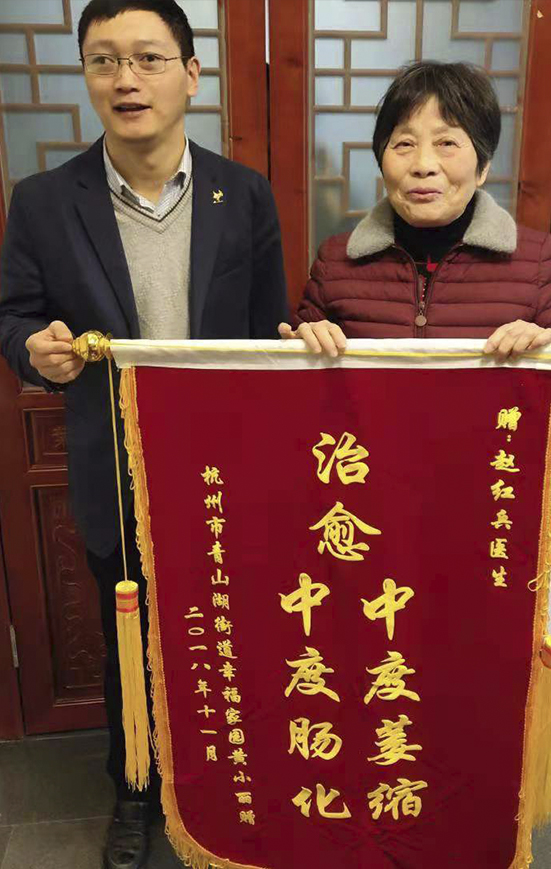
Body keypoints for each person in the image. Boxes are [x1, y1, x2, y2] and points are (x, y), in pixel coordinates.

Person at [0, 1, 287, 867]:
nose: (126, 79)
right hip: (112, 467)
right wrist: (34, 351)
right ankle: (136, 791)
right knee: (132, 638)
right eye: (103, 60)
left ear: (191, 73)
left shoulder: (244, 194)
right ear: (87, 74)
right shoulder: (46, 201)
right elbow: (13, 317)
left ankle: (232, 779)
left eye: (149, 58)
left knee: (232, 628)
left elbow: (269, 332)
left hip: (224, 470)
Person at [279, 61, 551, 422]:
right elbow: (290, 396)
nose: (423, 164)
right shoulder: (336, 260)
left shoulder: (536, 259)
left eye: (446, 142)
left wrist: (546, 354)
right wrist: (300, 347)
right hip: (369, 472)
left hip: (481, 472)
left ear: (482, 167)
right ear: (381, 160)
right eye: (403, 143)